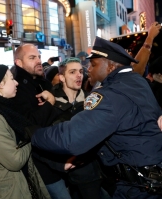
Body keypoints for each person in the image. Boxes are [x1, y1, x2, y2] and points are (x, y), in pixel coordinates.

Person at [31, 36, 162, 199]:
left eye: (93, 64)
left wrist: (33, 133)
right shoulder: (137, 82)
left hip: (137, 188)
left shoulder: (110, 95)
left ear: (110, 66)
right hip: (148, 180)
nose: (88, 70)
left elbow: (71, 139)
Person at [0, 64, 50, 199]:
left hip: (21, 180)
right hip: (10, 188)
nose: (16, 82)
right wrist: (31, 136)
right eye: (11, 79)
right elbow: (15, 161)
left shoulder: (7, 110)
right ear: (0, 84)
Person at [12, 44, 71, 199]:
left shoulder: (41, 82)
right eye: (32, 58)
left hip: (55, 153)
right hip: (39, 161)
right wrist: (49, 104)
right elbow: (29, 126)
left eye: (38, 56)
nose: (38, 61)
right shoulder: (17, 88)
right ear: (19, 62)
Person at [51, 57, 104, 199]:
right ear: (61, 77)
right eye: (73, 72)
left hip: (86, 170)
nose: (79, 75)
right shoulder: (50, 100)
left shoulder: (92, 99)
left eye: (80, 71)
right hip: (58, 171)